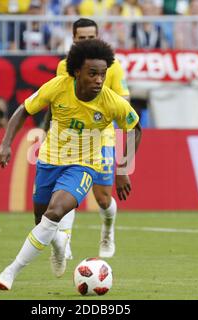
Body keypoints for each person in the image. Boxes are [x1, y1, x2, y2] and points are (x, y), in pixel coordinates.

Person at [0, 39, 142, 290]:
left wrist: (123, 168)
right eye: (92, 73)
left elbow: (134, 129)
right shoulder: (58, 87)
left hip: (84, 165)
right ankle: (59, 245)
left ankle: (11, 271)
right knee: (42, 221)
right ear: (76, 72)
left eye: (102, 74)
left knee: (55, 212)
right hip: (49, 161)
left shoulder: (110, 100)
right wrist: (5, 143)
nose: (98, 80)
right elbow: (24, 109)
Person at [45, 18, 131, 261]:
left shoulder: (113, 67)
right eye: (81, 38)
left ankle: (107, 229)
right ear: (73, 39)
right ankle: (65, 241)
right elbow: (56, 102)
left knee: (102, 198)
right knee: (66, 190)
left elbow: (125, 109)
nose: (86, 42)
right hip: (71, 137)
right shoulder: (64, 67)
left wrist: (124, 164)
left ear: (98, 37)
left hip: (101, 135)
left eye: (90, 37)